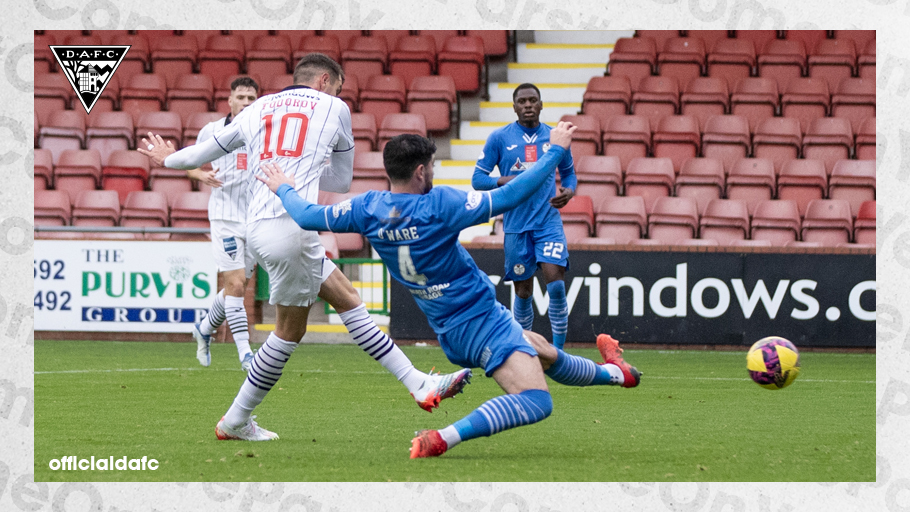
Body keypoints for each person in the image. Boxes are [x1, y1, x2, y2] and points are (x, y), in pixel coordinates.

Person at [255, 121, 641, 458]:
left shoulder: (367, 207)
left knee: (540, 348)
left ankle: (618, 374)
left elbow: (306, 215)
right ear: (421, 171)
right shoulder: (440, 205)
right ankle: (442, 438)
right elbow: (511, 195)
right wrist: (555, 149)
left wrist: (284, 188)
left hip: (447, 330)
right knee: (537, 401)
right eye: (434, 167)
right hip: (479, 322)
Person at [138, 53, 471, 441]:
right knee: (288, 332)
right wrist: (306, 167)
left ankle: (418, 383)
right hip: (291, 226)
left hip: (260, 225)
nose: (339, 92)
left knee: (346, 296)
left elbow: (200, 153)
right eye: (339, 86)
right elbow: (343, 181)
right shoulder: (334, 106)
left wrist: (168, 158)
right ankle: (234, 420)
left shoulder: (259, 107)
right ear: (326, 81)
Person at [472, 83, 576, 350]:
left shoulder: (555, 138)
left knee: (555, 285)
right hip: (516, 226)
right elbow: (477, 180)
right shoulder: (500, 138)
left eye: (533, 100)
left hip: (547, 221)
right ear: (514, 106)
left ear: (541, 105)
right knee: (523, 292)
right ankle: (525, 350)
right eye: (522, 101)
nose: (528, 105)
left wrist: (569, 191)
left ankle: (559, 352)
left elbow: (569, 174)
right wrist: (504, 180)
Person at [186, 76, 259, 371]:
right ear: (229, 100)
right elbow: (189, 162)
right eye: (240, 97)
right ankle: (245, 353)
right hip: (224, 216)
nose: (245, 103)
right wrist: (200, 175)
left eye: (251, 98)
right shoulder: (212, 131)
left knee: (237, 285)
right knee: (235, 284)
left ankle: (204, 328)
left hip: (255, 217)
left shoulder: (262, 132)